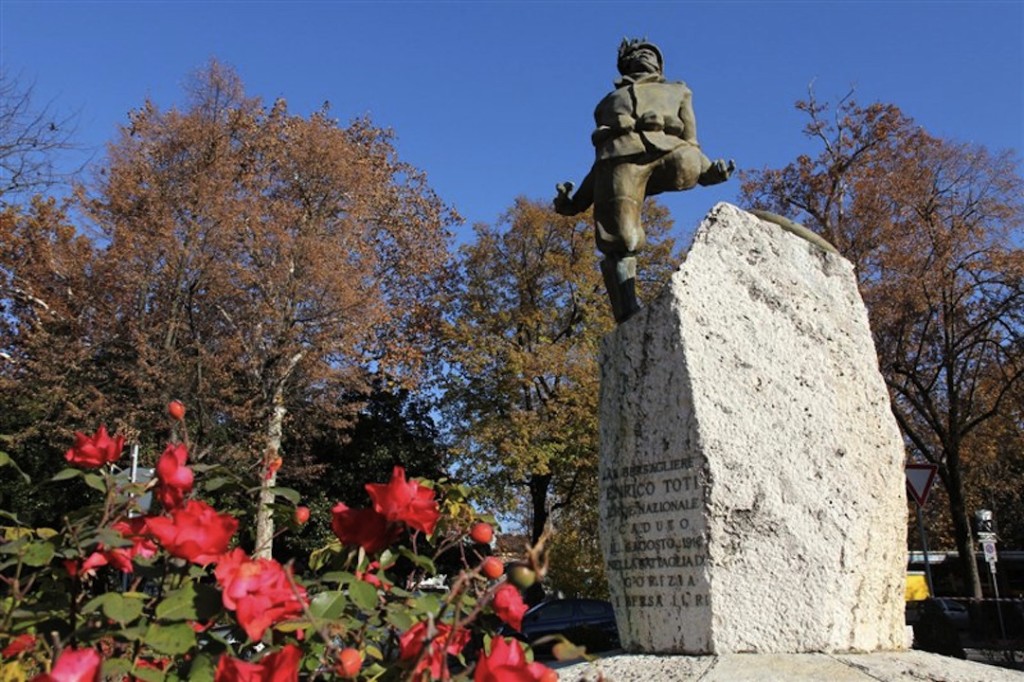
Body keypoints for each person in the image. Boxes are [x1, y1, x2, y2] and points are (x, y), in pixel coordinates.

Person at [554, 38, 734, 323]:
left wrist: (709, 171)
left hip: (670, 150)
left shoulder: (679, 91)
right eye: (637, 53)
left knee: (686, 160)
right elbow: (601, 161)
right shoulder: (606, 104)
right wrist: (573, 202)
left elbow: (691, 142)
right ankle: (627, 314)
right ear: (625, 63)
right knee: (622, 237)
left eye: (650, 53)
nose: (644, 55)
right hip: (620, 158)